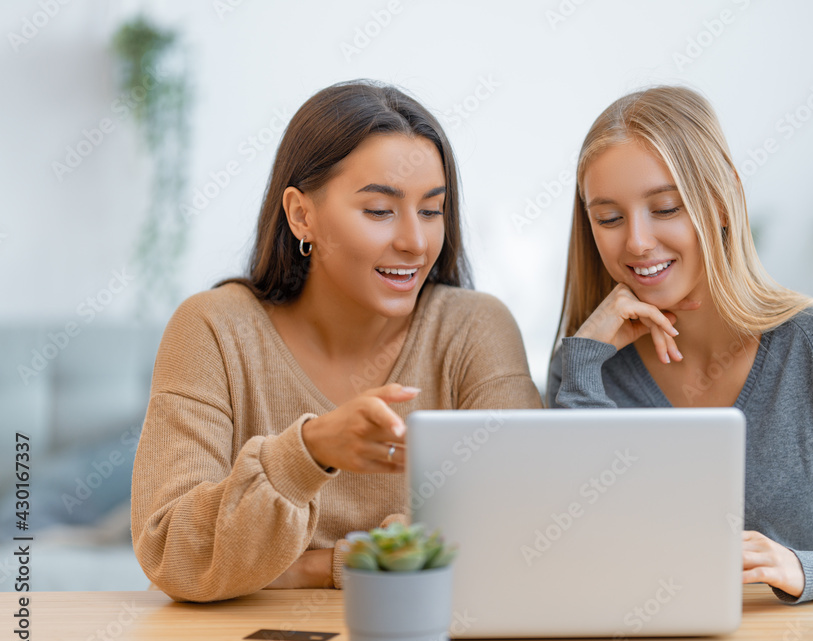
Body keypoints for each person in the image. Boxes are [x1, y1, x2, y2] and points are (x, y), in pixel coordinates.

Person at [131, 81, 541, 603]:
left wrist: (308, 568)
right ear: (302, 214)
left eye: (432, 211)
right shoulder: (213, 329)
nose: (415, 242)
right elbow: (171, 553)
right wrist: (308, 452)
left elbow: (518, 530)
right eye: (379, 211)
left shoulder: (475, 329)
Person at [546, 85, 813, 603]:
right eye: (608, 218)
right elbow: (571, 555)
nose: (637, 242)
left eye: (666, 207)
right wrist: (583, 363)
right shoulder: (584, 366)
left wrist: (809, 568)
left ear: (720, 201)